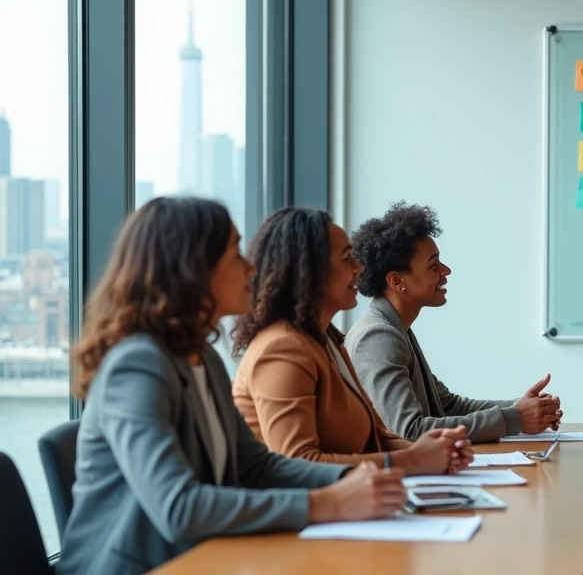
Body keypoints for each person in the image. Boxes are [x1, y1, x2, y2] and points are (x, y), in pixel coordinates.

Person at [59, 198, 407, 575]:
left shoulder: (201, 357)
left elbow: (254, 466)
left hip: (201, 559)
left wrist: (355, 481)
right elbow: (179, 508)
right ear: (192, 269)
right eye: (234, 253)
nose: (251, 267)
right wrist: (329, 504)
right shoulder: (137, 366)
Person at [231, 207, 472, 473]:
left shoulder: (328, 340)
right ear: (310, 272)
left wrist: (434, 451)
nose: (359, 268)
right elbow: (298, 463)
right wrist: (414, 459)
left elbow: (375, 437)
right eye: (347, 259)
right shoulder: (282, 347)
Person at [345, 202, 563, 442]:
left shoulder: (396, 329)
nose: (446, 271)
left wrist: (525, 408)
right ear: (397, 281)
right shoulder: (379, 337)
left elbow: (448, 406)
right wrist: (515, 418)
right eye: (433, 265)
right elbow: (408, 431)